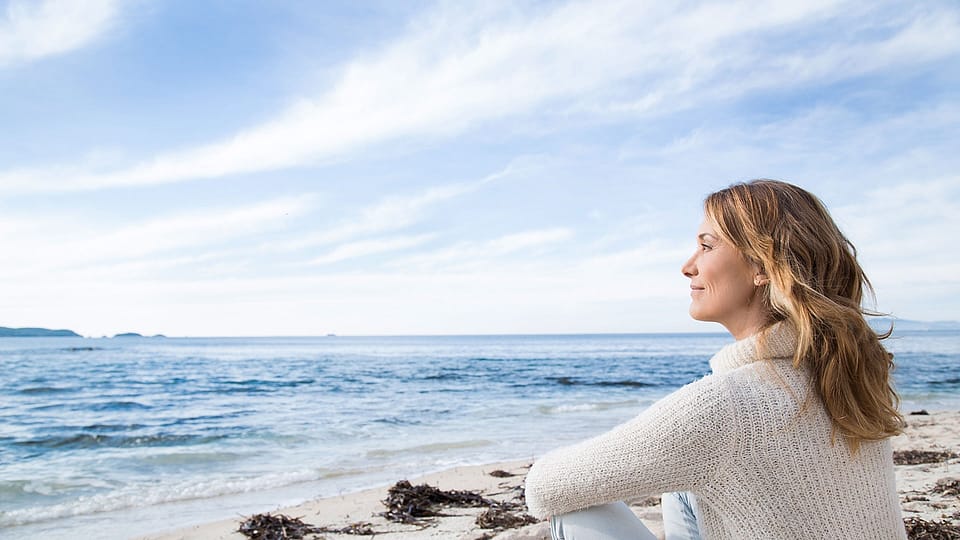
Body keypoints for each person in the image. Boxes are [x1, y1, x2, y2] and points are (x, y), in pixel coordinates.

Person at [524, 179, 907, 539]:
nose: (688, 265)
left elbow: (543, 488)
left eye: (706, 246)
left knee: (575, 509)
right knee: (685, 488)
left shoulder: (724, 406)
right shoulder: (850, 378)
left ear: (761, 266)